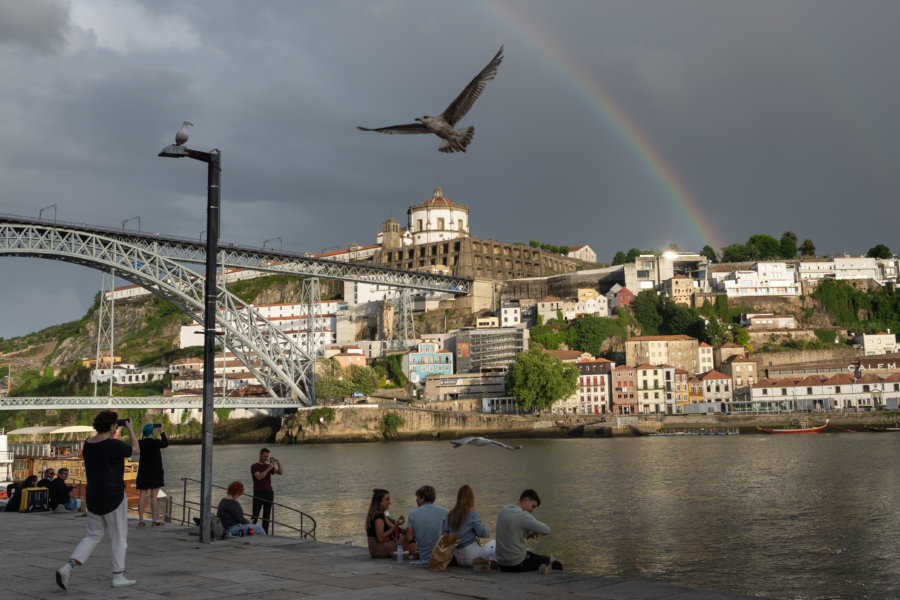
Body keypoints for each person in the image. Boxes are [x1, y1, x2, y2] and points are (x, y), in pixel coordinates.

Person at [55, 412, 140, 590]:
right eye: (115, 424)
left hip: (93, 497)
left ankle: (68, 566)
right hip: (113, 497)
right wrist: (131, 429)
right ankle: (118, 576)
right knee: (119, 537)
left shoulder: (88, 445)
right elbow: (136, 450)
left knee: (93, 535)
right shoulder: (114, 445)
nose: (117, 427)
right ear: (111, 426)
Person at [495, 489, 562, 572]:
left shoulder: (503, 510)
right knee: (557, 565)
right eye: (533, 506)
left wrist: (529, 534)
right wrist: (534, 530)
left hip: (502, 563)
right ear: (526, 500)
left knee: (531, 555)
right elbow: (546, 530)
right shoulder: (523, 515)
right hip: (516, 564)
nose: (532, 511)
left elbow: (512, 533)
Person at [442, 484, 496, 566]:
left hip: (457, 557)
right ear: (471, 497)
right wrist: (485, 527)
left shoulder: (450, 514)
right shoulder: (473, 513)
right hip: (472, 557)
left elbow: (444, 532)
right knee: (493, 543)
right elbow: (481, 533)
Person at [136, 422, 168, 527]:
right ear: (152, 431)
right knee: (154, 497)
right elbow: (165, 443)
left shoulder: (140, 443)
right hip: (155, 471)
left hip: (143, 471)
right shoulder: (156, 442)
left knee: (142, 496)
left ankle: (141, 520)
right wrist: (162, 431)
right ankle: (154, 520)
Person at [403, 485, 445, 564]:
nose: (416, 500)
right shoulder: (444, 511)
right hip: (441, 554)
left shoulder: (412, 514)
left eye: (418, 497)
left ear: (423, 498)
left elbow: (409, 538)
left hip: (424, 556)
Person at [365, 488, 406, 558]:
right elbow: (380, 538)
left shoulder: (382, 515)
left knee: (410, 538)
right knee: (408, 538)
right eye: (387, 500)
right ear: (379, 502)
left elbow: (394, 528)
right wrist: (396, 526)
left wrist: (409, 530)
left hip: (377, 549)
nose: (389, 502)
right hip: (378, 550)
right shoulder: (378, 517)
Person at [250, 447, 282, 534]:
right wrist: (268, 468)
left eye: (267, 456)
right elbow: (259, 477)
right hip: (258, 493)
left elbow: (280, 472)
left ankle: (265, 534)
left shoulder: (269, 466)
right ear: (260, 454)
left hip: (269, 493)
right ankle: (250, 532)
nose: (266, 458)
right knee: (255, 515)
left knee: (267, 516)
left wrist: (278, 463)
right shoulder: (254, 466)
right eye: (264, 456)